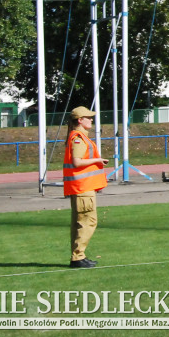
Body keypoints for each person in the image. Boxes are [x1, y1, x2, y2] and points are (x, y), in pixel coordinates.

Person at [64, 105, 108, 268]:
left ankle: (78, 256)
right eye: (88, 118)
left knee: (81, 222)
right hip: (83, 188)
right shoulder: (78, 138)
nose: (91, 120)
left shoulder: (77, 136)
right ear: (80, 120)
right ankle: (78, 257)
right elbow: (77, 161)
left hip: (82, 188)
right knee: (87, 222)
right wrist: (97, 160)